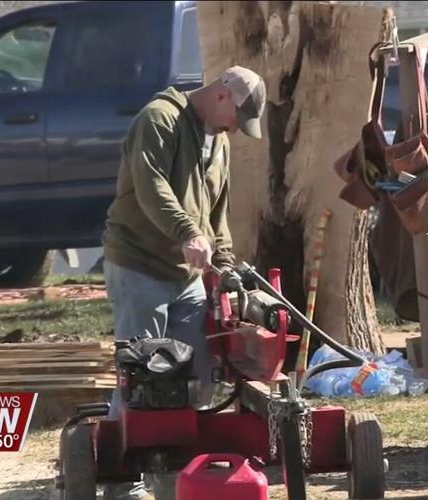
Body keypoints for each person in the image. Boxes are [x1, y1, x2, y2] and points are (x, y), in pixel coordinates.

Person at [100, 66, 266, 500]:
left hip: (188, 276)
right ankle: (124, 478)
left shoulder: (220, 141)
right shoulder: (159, 119)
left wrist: (226, 263)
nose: (234, 128)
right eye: (235, 118)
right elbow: (151, 186)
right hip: (141, 264)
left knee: (196, 374)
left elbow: (217, 212)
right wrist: (186, 234)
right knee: (141, 376)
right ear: (223, 97)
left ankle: (172, 472)